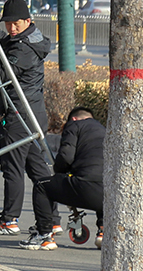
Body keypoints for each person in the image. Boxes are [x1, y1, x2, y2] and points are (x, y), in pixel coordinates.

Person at [0, 0, 57, 248]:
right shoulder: (28, 38)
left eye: (15, 23)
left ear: (28, 21)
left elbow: (2, 76)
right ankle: (52, 220)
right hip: (33, 113)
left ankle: (10, 220)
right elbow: (4, 38)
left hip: (20, 114)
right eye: (7, 23)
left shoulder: (23, 49)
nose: (11, 28)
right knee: (38, 170)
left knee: (12, 166)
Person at [36, 106, 107, 249]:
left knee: (41, 185)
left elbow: (66, 157)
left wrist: (60, 171)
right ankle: (103, 230)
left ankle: (44, 235)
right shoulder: (106, 130)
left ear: (74, 119)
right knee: (103, 180)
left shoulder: (74, 125)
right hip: (108, 196)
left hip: (83, 187)